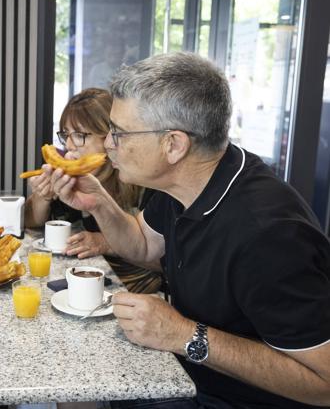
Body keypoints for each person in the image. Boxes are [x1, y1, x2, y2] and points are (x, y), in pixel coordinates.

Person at [47, 53, 330, 408]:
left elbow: (325, 383)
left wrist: (184, 335)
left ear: (174, 144)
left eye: (119, 134)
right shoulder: (182, 183)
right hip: (186, 373)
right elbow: (144, 245)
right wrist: (99, 203)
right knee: (77, 377)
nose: (107, 145)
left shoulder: (269, 235)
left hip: (233, 399)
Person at [25, 88, 161, 294]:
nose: (69, 145)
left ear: (110, 137)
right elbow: (30, 222)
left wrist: (106, 243)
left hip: (142, 291)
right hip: (88, 283)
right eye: (65, 135)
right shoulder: (71, 180)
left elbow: (166, 261)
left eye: (80, 135)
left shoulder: (145, 184)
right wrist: (43, 197)